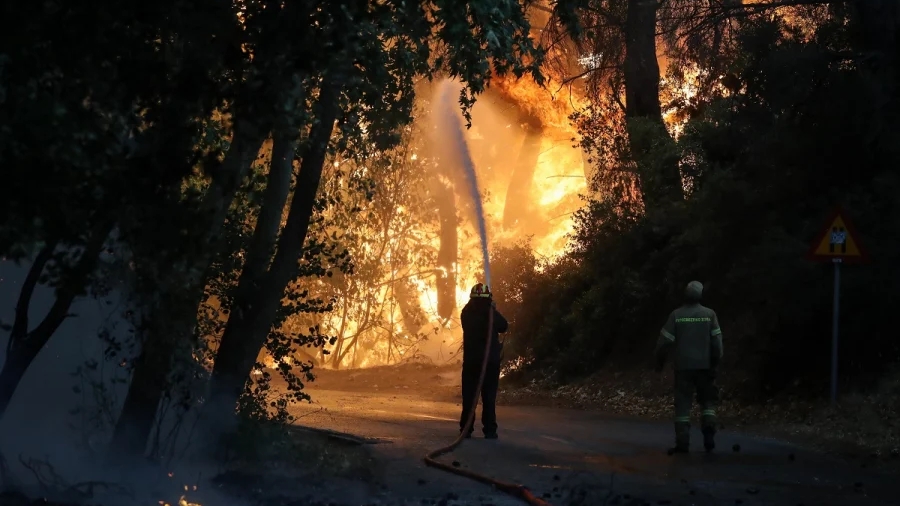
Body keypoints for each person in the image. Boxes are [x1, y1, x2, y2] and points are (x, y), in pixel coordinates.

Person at [654, 281, 724, 454]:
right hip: (705, 367)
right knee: (708, 402)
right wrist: (715, 361)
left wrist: (659, 362)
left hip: (684, 368)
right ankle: (709, 435)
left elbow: (664, 343)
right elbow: (717, 343)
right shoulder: (710, 315)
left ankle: (683, 443)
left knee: (683, 406)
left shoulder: (676, 315)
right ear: (701, 295)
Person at [459, 282, 509, 439]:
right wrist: (492, 309)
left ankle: (466, 429)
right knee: (488, 397)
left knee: (469, 397)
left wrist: (490, 310)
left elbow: (502, 327)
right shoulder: (490, 313)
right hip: (489, 364)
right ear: (489, 298)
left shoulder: (466, 313)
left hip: (472, 363)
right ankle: (489, 429)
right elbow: (504, 326)